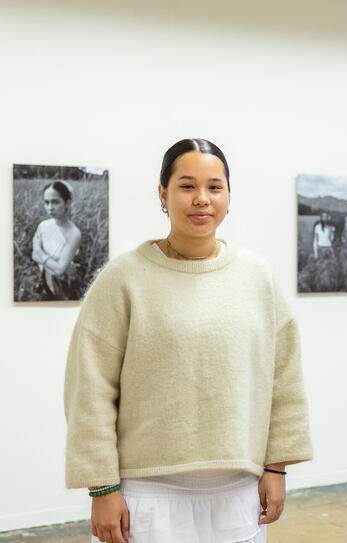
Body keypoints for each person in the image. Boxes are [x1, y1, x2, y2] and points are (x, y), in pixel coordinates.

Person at [64, 138, 313, 543]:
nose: (202, 199)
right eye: (186, 186)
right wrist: (102, 488)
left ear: (228, 196)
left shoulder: (257, 277)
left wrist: (277, 467)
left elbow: (284, 380)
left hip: (238, 495)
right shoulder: (123, 279)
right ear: (163, 194)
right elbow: (89, 389)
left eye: (215, 187)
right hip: (146, 497)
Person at [32, 181, 82, 300]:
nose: (50, 208)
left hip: (63, 285)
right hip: (44, 276)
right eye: (46, 202)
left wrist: (39, 251)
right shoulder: (43, 226)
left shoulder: (73, 233)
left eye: (55, 202)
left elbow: (60, 270)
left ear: (67, 203)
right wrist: (50, 262)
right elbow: (33, 255)